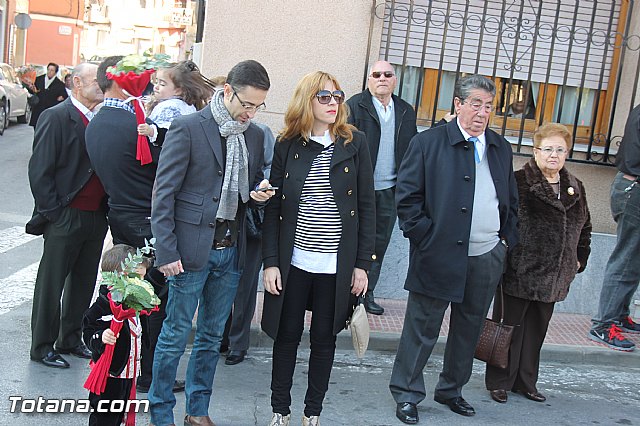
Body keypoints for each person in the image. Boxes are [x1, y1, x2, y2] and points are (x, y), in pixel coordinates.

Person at [148, 59, 274, 426]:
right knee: (174, 335)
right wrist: (166, 251)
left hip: (231, 251)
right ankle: (160, 414)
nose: (251, 113)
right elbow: (163, 194)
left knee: (210, 337)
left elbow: (241, 191)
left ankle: (197, 411)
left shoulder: (252, 135)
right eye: (246, 104)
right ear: (226, 92)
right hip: (188, 253)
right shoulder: (189, 127)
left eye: (258, 106)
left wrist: (256, 193)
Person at [389, 74, 518, 424]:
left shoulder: (499, 147)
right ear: (458, 104)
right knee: (422, 327)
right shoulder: (428, 143)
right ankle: (407, 393)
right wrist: (424, 237)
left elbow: (510, 200)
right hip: (437, 253)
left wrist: (505, 242)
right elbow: (407, 196)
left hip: (487, 254)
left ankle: (451, 390)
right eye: (475, 103)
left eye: (489, 106)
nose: (482, 112)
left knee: (469, 327)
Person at [261, 71, 375, 426]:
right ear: (307, 101)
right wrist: (270, 263)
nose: (332, 103)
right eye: (323, 97)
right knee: (286, 337)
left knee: (324, 340)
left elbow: (368, 207)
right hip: (294, 261)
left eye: (336, 96)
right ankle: (280, 411)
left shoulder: (355, 143)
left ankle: (313, 413)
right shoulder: (288, 145)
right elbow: (274, 208)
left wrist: (362, 266)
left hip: (335, 265)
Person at [85, 56, 184, 395]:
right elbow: (165, 165)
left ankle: (133, 364)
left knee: (133, 295)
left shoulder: (99, 122)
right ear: (117, 81)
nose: (144, 80)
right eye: (137, 74)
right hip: (146, 219)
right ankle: (150, 373)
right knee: (154, 299)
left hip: (122, 215)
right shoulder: (130, 122)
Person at [485, 123, 592, 404]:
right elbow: (502, 220)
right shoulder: (519, 182)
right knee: (507, 327)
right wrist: (505, 256)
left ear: (567, 153)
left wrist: (580, 258)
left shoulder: (575, 187)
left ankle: (526, 382)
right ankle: (499, 381)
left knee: (536, 332)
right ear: (536, 151)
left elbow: (585, 227)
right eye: (548, 149)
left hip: (555, 276)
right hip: (521, 270)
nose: (554, 155)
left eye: (560, 149)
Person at [27, 62, 107, 368]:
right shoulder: (56, 117)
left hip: (96, 216)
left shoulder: (100, 119)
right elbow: (40, 171)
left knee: (84, 281)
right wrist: (55, 213)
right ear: (76, 82)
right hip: (66, 214)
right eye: (95, 81)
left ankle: (71, 338)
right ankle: (42, 346)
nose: (101, 85)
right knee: (52, 283)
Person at [346, 60, 417, 315]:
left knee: (378, 245)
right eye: (376, 74)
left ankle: (367, 293)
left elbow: (414, 149)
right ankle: (345, 293)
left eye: (388, 74)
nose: (382, 78)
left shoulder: (405, 111)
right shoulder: (355, 106)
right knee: (351, 241)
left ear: (395, 80)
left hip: (390, 191)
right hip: (357, 190)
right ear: (369, 80)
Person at [222, 121, 275, 365]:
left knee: (245, 284)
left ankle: (238, 342)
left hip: (251, 219)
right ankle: (220, 336)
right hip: (221, 219)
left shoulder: (259, 132)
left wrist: (260, 189)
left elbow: (271, 171)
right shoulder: (213, 129)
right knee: (217, 282)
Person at [82, 244, 152, 426]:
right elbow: (89, 329)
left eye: (143, 278)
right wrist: (101, 336)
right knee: (104, 418)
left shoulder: (136, 302)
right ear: (115, 278)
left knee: (121, 415)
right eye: (136, 278)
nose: (141, 283)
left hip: (129, 373)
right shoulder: (104, 305)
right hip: (110, 374)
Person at [589, 104, 640, 351]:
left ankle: (619, 314)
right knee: (626, 259)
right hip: (634, 191)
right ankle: (603, 325)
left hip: (632, 189)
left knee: (634, 260)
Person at [137, 60, 215, 147]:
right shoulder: (175, 104)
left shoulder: (173, 107)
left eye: (162, 84)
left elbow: (172, 136)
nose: (156, 87)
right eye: (156, 82)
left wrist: (152, 132)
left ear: (178, 90)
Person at [29, 62, 68, 127]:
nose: (49, 72)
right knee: (37, 130)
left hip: (50, 111)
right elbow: (32, 91)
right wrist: (31, 88)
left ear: (55, 72)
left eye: (52, 70)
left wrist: (61, 97)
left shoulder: (59, 84)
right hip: (38, 110)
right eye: (48, 70)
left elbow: (64, 95)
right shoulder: (39, 79)